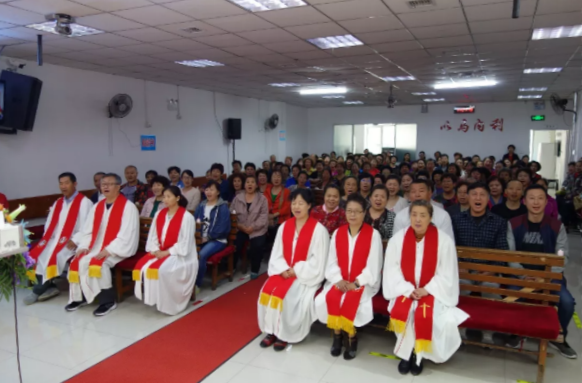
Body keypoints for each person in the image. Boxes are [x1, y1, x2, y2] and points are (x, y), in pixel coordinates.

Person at [384, 200, 468, 375]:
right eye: (414, 215)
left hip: (434, 292)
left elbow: (447, 274)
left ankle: (419, 355)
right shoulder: (398, 240)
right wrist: (407, 289)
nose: (418, 219)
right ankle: (407, 354)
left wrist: (427, 290)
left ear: (431, 217)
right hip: (404, 290)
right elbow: (392, 270)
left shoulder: (444, 241)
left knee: (425, 314)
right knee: (406, 311)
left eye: (423, 215)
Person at [508, 185, 577, 359]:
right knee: (511, 296)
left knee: (567, 302)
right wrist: (524, 275)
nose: (536, 202)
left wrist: (544, 276)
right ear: (524, 201)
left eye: (540, 198)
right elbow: (510, 255)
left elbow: (563, 256)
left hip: (550, 277)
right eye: (532, 198)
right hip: (522, 276)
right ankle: (517, 331)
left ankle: (558, 336)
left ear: (547, 202)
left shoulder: (557, 226)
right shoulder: (514, 223)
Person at [258, 189, 330, 351]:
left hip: (304, 275)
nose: (296, 207)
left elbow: (318, 260)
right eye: (294, 203)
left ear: (309, 205)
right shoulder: (284, 226)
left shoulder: (319, 230)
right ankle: (271, 331)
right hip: (283, 272)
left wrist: (296, 270)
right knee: (267, 291)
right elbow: (277, 252)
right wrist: (283, 269)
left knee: (287, 297)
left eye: (301, 203)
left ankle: (285, 333)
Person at [315, 193, 383, 359]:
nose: (352, 215)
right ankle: (337, 335)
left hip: (364, 283)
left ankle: (352, 337)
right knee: (330, 297)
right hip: (340, 280)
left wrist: (357, 283)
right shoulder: (338, 233)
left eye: (357, 211)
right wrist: (338, 279)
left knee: (349, 299)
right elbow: (331, 261)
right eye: (349, 211)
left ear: (364, 213)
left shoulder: (373, 235)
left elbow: (374, 265)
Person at [66, 173, 139, 316]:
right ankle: (79, 297)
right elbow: (87, 230)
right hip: (95, 246)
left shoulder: (128, 208)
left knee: (99, 263)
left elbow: (127, 234)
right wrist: (84, 246)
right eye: (103, 184)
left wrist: (110, 250)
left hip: (118, 249)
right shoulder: (97, 206)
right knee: (77, 260)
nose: (105, 187)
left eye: (109, 184)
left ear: (118, 187)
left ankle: (107, 301)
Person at [25, 173, 93, 305]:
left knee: (55, 255)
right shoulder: (58, 202)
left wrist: (76, 240)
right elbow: (49, 224)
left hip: (72, 242)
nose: (63, 186)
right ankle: (49, 287)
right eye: (61, 183)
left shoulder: (84, 203)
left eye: (66, 183)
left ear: (75, 184)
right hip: (55, 239)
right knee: (39, 254)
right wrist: (47, 239)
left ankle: (38, 290)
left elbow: (87, 226)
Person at [133, 186, 197, 315]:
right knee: (144, 267)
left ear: (178, 198)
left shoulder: (186, 217)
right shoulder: (159, 214)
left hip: (181, 254)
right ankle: (156, 299)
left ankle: (171, 303)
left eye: (169, 196)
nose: (165, 199)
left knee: (163, 270)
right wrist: (156, 250)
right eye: (164, 197)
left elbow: (185, 243)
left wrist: (167, 252)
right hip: (161, 250)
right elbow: (153, 236)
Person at [194, 180, 232, 289]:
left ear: (218, 192)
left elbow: (223, 227)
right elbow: (194, 221)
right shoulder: (201, 205)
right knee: (186, 253)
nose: (208, 192)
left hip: (217, 240)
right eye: (206, 189)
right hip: (201, 238)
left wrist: (208, 238)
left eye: (212, 189)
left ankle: (197, 285)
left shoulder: (222, 207)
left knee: (200, 255)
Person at [232, 175, 269, 279]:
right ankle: (232, 267)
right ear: (244, 185)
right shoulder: (237, 198)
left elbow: (263, 217)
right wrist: (239, 226)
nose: (250, 184)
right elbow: (232, 213)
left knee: (257, 246)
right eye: (247, 182)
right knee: (235, 243)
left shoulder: (262, 199)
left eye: (252, 182)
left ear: (256, 185)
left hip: (257, 229)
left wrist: (252, 227)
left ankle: (254, 269)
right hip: (241, 227)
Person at [265, 170, 291, 237]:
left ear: (282, 179)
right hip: (267, 219)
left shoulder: (286, 191)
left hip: (281, 220)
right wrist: (268, 216)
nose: (276, 179)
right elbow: (263, 205)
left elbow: (287, 208)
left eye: (278, 177)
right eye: (274, 177)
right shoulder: (267, 190)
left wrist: (273, 215)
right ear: (271, 178)